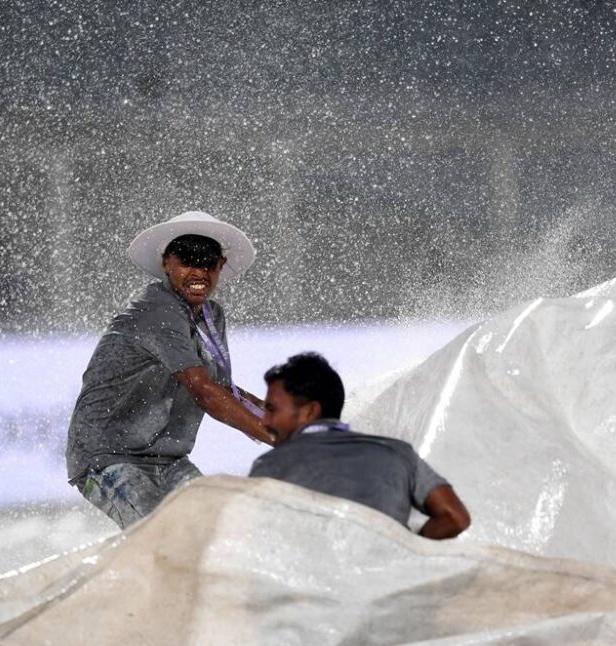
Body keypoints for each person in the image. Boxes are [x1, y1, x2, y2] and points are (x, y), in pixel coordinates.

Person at [66, 211, 273, 528]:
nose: (199, 271)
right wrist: (282, 438)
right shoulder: (157, 310)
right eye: (188, 260)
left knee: (217, 532)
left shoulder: (211, 315)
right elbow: (204, 392)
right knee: (164, 538)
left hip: (168, 458)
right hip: (107, 457)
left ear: (221, 267)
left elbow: (221, 389)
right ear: (167, 264)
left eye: (208, 262)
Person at [249, 352, 471, 540]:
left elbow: (255, 539)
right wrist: (406, 548)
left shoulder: (271, 466)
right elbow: (455, 518)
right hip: (387, 586)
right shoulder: (398, 453)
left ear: (309, 411)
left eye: (272, 410)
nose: (265, 421)